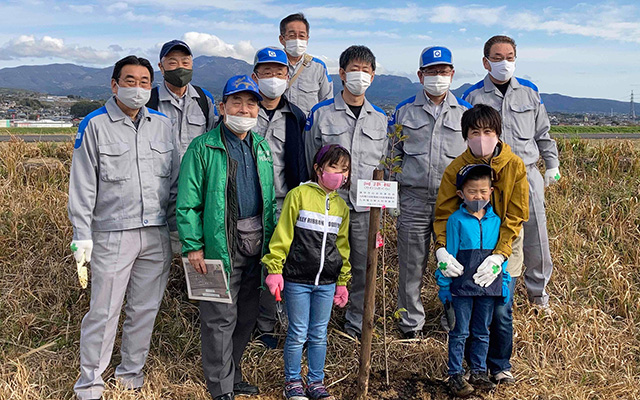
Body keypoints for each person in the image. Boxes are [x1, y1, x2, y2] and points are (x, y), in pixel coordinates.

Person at [68, 55, 178, 400]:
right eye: (129, 81)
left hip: (156, 232)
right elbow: (83, 185)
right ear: (114, 85)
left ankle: (131, 374)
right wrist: (81, 234)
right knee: (104, 310)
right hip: (113, 232)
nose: (137, 88)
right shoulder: (95, 124)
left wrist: (177, 232)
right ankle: (90, 383)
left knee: (144, 309)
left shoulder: (162, 125)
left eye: (144, 82)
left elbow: (174, 182)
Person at [176, 75, 276, 400]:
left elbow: (270, 201)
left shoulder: (261, 147)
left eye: (251, 104)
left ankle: (233, 374)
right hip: (220, 245)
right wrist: (193, 245)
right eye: (237, 102)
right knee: (219, 317)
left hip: (257, 244)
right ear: (222, 107)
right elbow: (188, 202)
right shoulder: (203, 147)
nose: (244, 109)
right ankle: (220, 387)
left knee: (247, 314)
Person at [462, 35, 560, 310]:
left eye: (509, 57)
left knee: (535, 233)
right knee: (491, 232)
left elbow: (543, 133)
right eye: (497, 58)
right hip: (487, 175)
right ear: (485, 62)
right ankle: (493, 290)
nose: (503, 63)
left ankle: (538, 294)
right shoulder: (472, 96)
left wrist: (552, 164)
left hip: (527, 173)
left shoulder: (530, 92)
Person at [434, 104, 529, 385]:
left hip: (505, 241)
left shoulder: (514, 166)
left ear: (498, 133)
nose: (482, 137)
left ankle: (499, 365)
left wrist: (499, 255)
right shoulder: (456, 169)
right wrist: (441, 249)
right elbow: (443, 214)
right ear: (465, 135)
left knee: (500, 307)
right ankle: (466, 369)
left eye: (488, 131)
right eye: (475, 132)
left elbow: (516, 214)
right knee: (466, 309)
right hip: (467, 248)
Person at [305, 45, 388, 339]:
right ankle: (318, 326)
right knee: (323, 263)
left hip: (367, 209)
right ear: (341, 73)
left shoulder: (380, 119)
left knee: (364, 267)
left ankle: (356, 324)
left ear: (373, 76)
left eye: (366, 71)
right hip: (329, 206)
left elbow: (384, 165)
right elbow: (310, 160)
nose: (360, 76)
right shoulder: (320, 114)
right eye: (355, 69)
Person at [388, 46, 471, 339]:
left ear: (452, 73)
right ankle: (411, 325)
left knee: (454, 265)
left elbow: (473, 160)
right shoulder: (404, 111)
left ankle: (453, 323)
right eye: (432, 71)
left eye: (444, 71)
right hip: (413, 201)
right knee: (411, 267)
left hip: (451, 204)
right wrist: (392, 197)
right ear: (420, 75)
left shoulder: (464, 113)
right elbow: (392, 156)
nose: (438, 76)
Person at [262, 144, 352, 400]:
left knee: (319, 334)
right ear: (318, 168)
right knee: (298, 331)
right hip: (297, 279)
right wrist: (275, 268)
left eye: (344, 169)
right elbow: (283, 235)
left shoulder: (341, 208)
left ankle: (315, 382)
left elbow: (342, 247)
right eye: (333, 166)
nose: (338, 173)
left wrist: (342, 281)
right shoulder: (298, 195)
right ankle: (292, 382)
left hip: (325, 282)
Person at [435, 163, 511, 397]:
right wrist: (444, 286)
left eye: (483, 191)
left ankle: (479, 371)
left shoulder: (496, 221)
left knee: (482, 331)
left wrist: (504, 281)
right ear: (461, 194)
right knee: (459, 331)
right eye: (472, 192)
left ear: (491, 192)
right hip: (461, 288)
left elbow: (502, 253)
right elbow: (449, 254)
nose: (478, 196)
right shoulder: (456, 220)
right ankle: (455, 373)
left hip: (488, 287)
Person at [251, 46, 309, 347]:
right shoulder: (243, 109)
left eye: (279, 72)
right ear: (255, 76)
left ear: (288, 77)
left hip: (285, 203)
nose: (273, 78)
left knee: (282, 265)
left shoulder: (296, 116)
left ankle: (278, 325)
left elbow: (302, 161)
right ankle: (253, 326)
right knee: (251, 265)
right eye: (267, 72)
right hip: (248, 204)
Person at [147, 39, 220, 255]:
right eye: (172, 63)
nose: (180, 67)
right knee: (159, 258)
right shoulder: (150, 102)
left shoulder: (204, 100)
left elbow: (210, 141)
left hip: (196, 191)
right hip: (159, 192)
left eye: (185, 62)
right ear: (160, 67)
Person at [279, 12, 333, 116]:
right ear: (282, 39)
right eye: (292, 35)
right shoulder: (272, 66)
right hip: (279, 127)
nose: (297, 40)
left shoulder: (319, 67)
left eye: (302, 36)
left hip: (308, 128)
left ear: (307, 39)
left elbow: (327, 103)